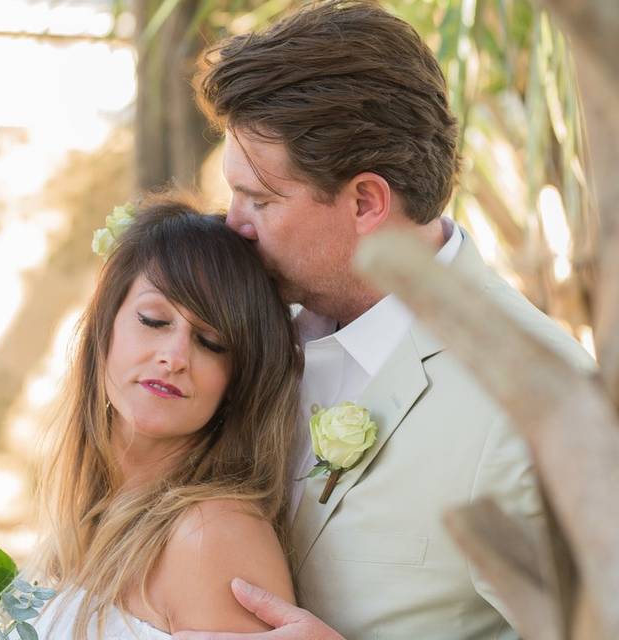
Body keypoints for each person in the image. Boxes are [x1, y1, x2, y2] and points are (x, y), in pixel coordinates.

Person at [173, 1, 595, 639]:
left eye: (261, 198)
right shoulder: (235, 335)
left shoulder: (541, 408)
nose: (234, 221)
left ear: (366, 200)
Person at [31, 196, 304, 639]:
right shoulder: (93, 513)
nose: (175, 357)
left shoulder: (212, 535)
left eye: (211, 342)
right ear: (106, 326)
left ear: (237, 382)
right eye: (154, 320)